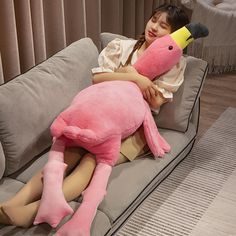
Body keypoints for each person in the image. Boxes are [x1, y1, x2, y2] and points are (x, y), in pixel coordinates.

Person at [0, 3, 190, 228]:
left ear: (174, 35)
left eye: (163, 26)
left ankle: (31, 212)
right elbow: (98, 78)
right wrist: (136, 77)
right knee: (66, 155)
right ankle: (12, 204)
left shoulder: (175, 63)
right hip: (97, 115)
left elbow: (156, 99)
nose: (154, 27)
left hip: (134, 127)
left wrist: (125, 74)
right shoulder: (121, 47)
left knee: (91, 161)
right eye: (154, 19)